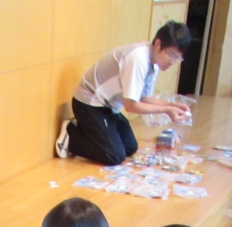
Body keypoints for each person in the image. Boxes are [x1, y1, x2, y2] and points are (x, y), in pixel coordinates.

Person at [55, 21, 192, 166]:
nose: (172, 61)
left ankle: (85, 127)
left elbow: (145, 98)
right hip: (89, 103)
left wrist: (172, 105)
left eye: (177, 58)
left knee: (129, 147)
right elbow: (131, 106)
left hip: (108, 108)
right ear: (158, 44)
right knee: (114, 156)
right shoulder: (138, 58)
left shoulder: (154, 64)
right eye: (171, 55)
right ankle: (71, 136)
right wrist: (167, 110)